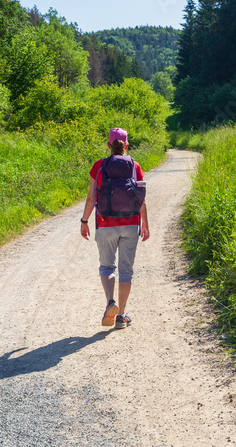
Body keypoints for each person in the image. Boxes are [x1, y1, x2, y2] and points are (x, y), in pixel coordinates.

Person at [80, 128, 149, 329]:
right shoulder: (134, 166)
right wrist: (145, 224)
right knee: (126, 270)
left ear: (108, 145)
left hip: (105, 223)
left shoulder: (99, 166)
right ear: (126, 145)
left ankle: (110, 302)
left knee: (107, 266)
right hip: (130, 223)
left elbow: (91, 198)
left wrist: (84, 221)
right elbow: (141, 198)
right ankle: (121, 316)